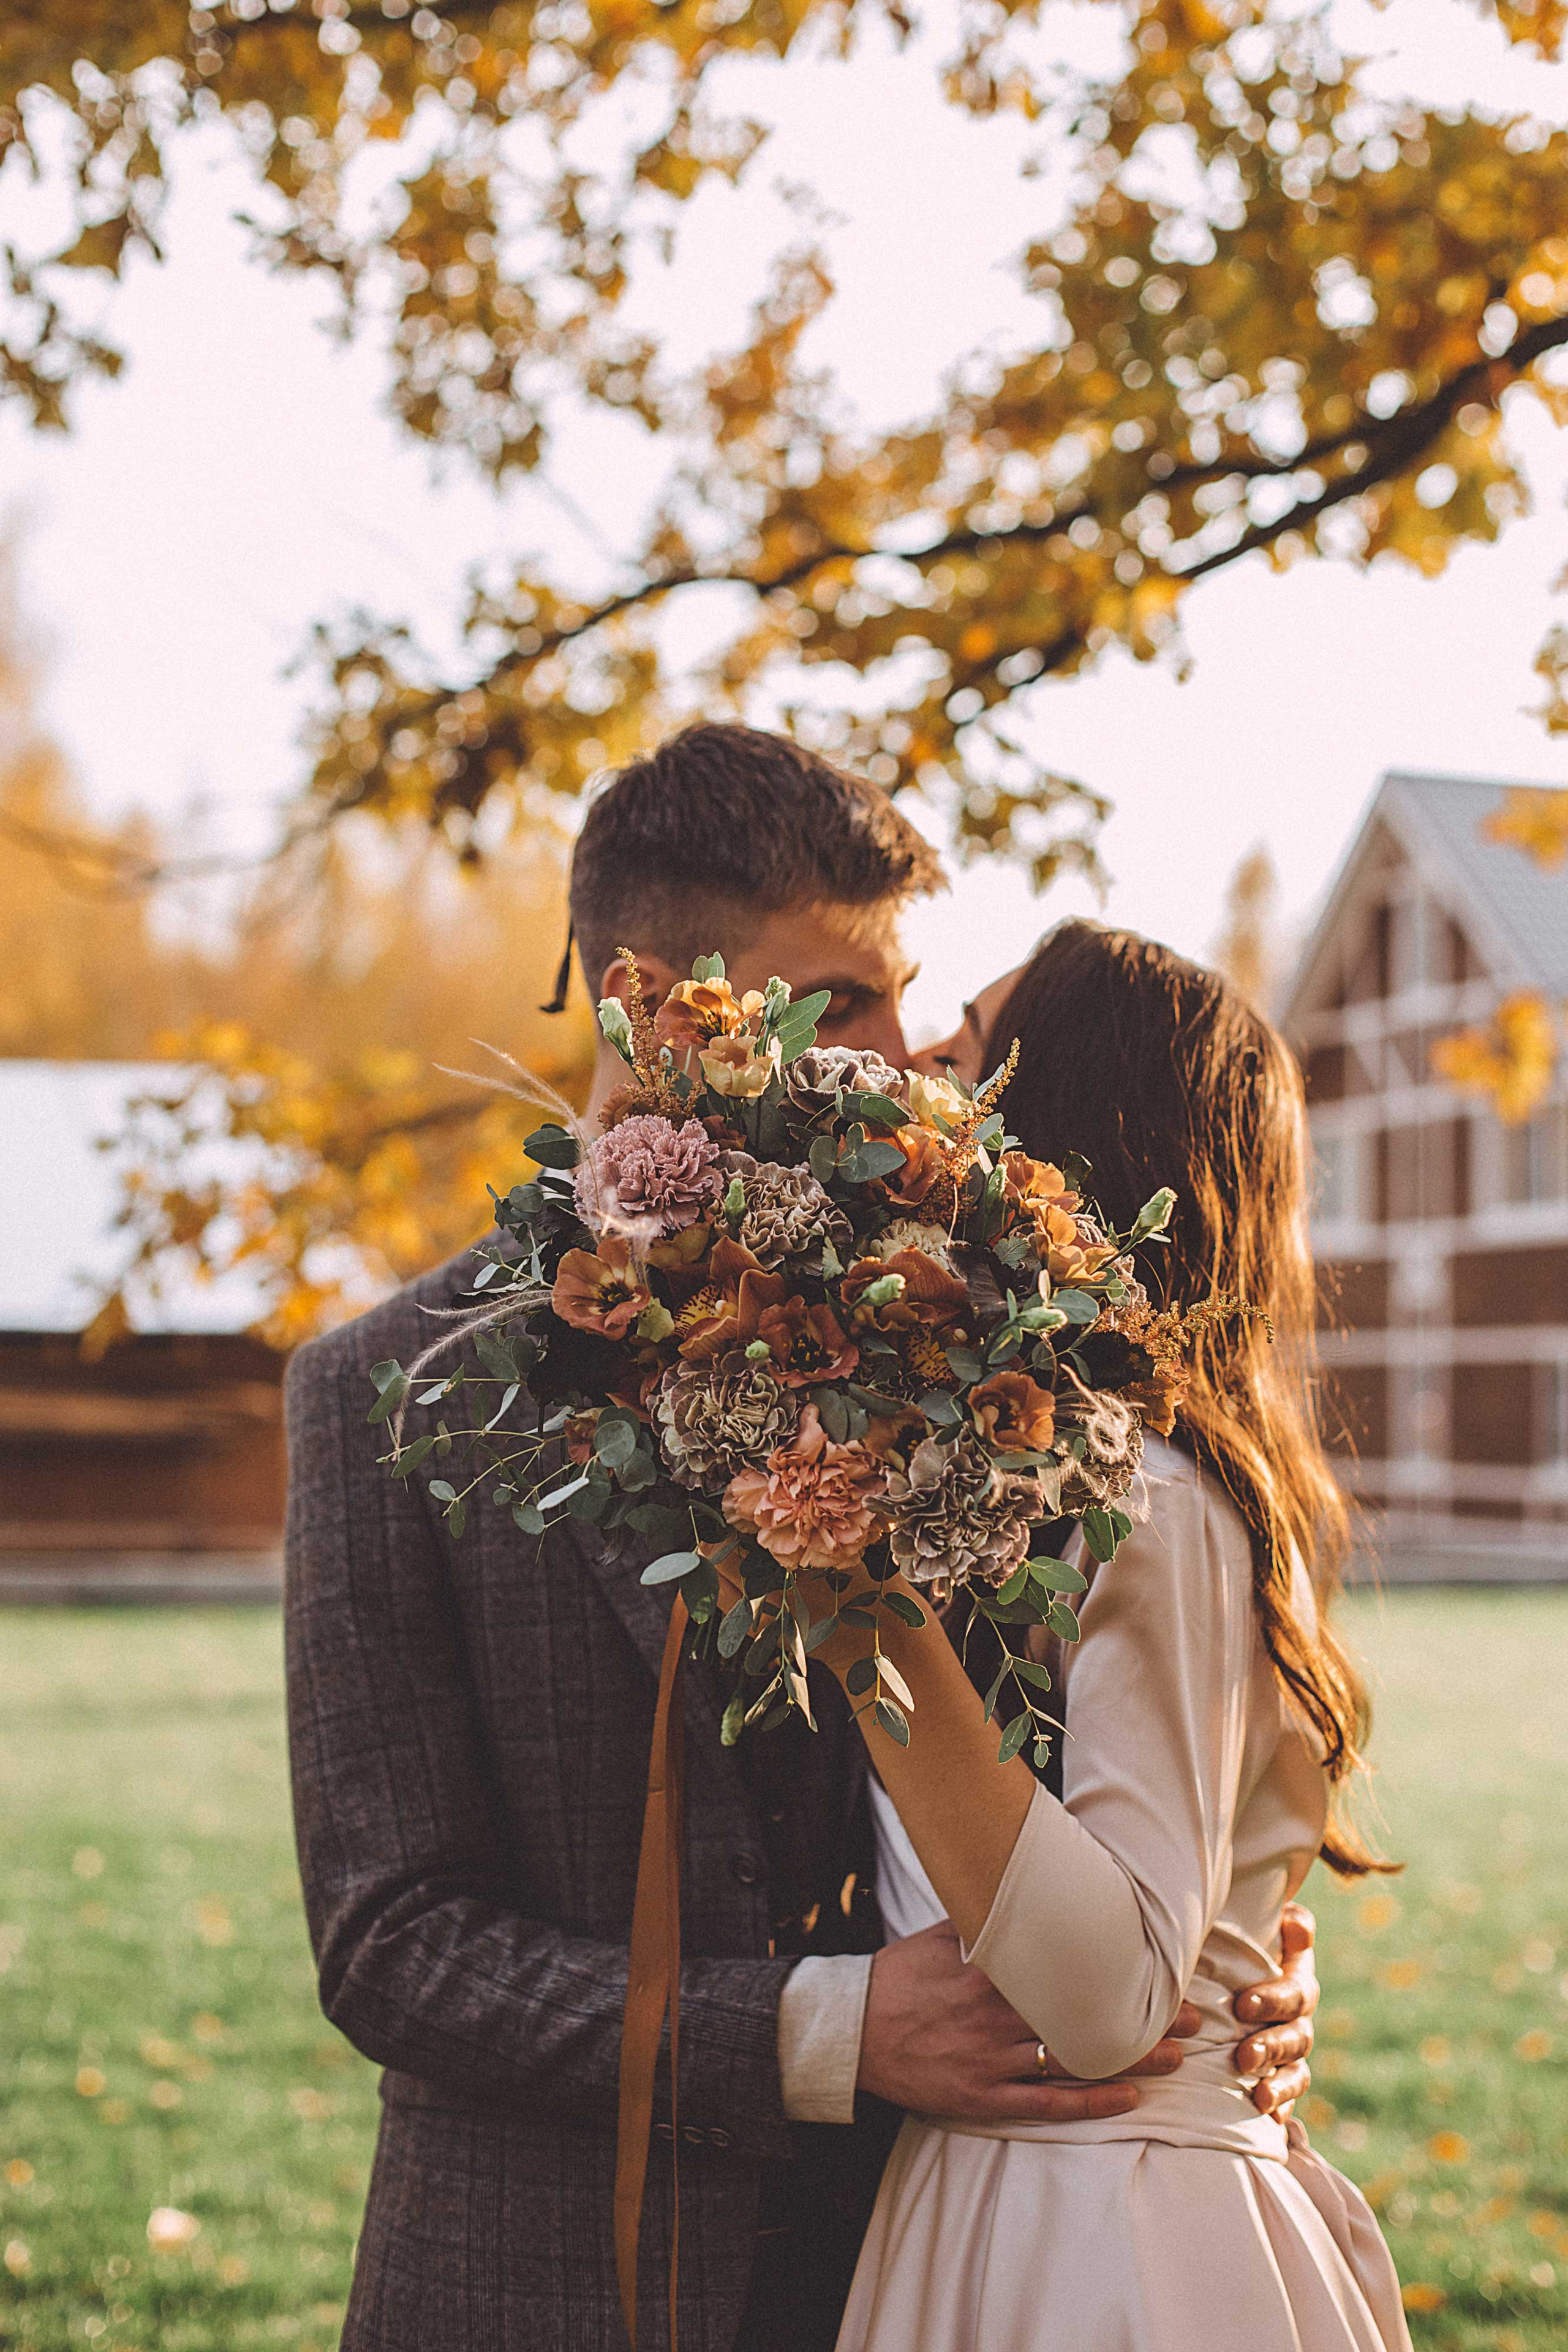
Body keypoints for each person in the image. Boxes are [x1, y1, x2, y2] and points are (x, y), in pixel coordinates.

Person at [284, 726, 1321, 2352]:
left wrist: (1225, 1990)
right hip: (535, 2294)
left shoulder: (968, 1347)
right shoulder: (386, 1395)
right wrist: (822, 2032)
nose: (909, 1058)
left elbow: (1102, 1795)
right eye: (843, 1005)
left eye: (911, 997)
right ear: (656, 1008)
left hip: (916, 2269)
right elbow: (391, 1944)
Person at [791, 920, 1410, 2352]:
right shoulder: (1023, 1475)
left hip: (1104, 2242)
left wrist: (837, 1589)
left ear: (1057, 1130)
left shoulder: (1148, 1496)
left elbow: (1114, 1999)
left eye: (967, 1042)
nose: (921, 1062)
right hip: (990, 2200)